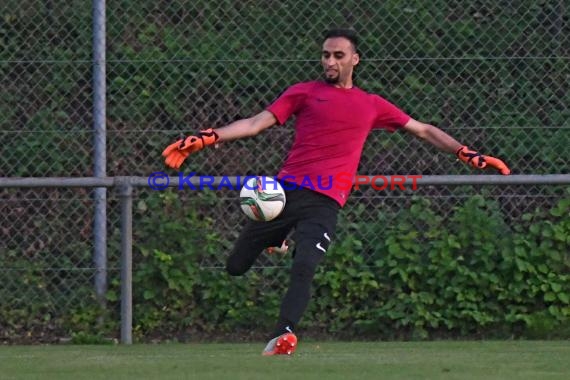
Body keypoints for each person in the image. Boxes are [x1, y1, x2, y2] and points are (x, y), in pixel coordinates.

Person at [161, 28, 510, 356]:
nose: (330, 62)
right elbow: (255, 124)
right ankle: (278, 236)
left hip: (325, 201)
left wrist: (466, 153)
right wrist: (209, 137)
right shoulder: (304, 92)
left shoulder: (371, 104)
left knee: (306, 265)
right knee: (236, 266)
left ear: (354, 59)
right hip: (283, 194)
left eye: (338, 55)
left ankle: (283, 334)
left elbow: (424, 130)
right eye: (326, 55)